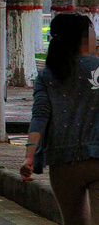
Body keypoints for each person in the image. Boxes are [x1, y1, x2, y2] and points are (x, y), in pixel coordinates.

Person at [21, 13, 99, 224]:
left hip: (62, 164)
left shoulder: (47, 75)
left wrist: (29, 156)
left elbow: (39, 116)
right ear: (84, 38)